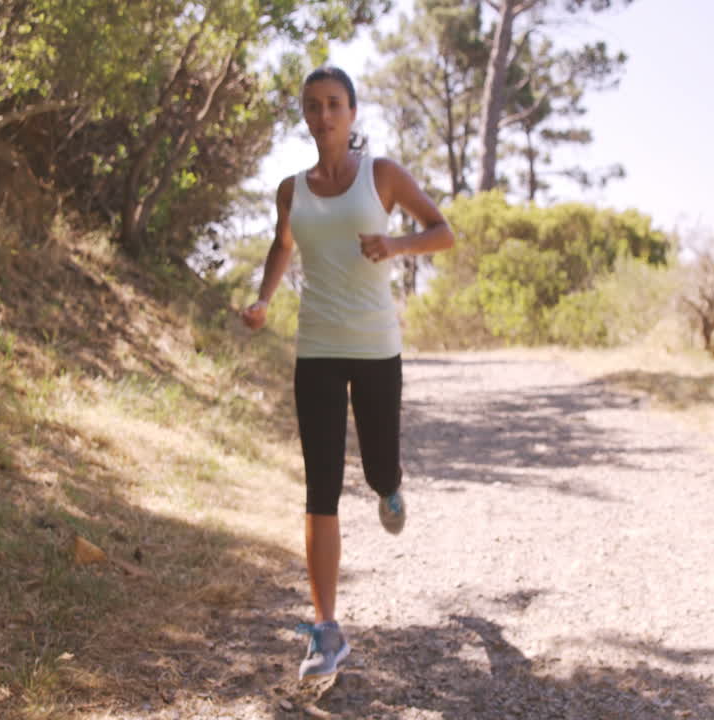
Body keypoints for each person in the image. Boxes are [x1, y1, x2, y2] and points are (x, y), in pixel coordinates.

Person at [239, 65, 454, 679]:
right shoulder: (291, 189)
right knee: (320, 487)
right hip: (318, 350)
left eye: (334, 104)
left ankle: (389, 484)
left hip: (376, 346)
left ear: (352, 113)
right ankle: (326, 630)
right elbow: (283, 245)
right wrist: (264, 301)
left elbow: (443, 232)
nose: (324, 115)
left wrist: (396, 245)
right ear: (304, 116)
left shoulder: (381, 176)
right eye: (313, 105)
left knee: (378, 465)